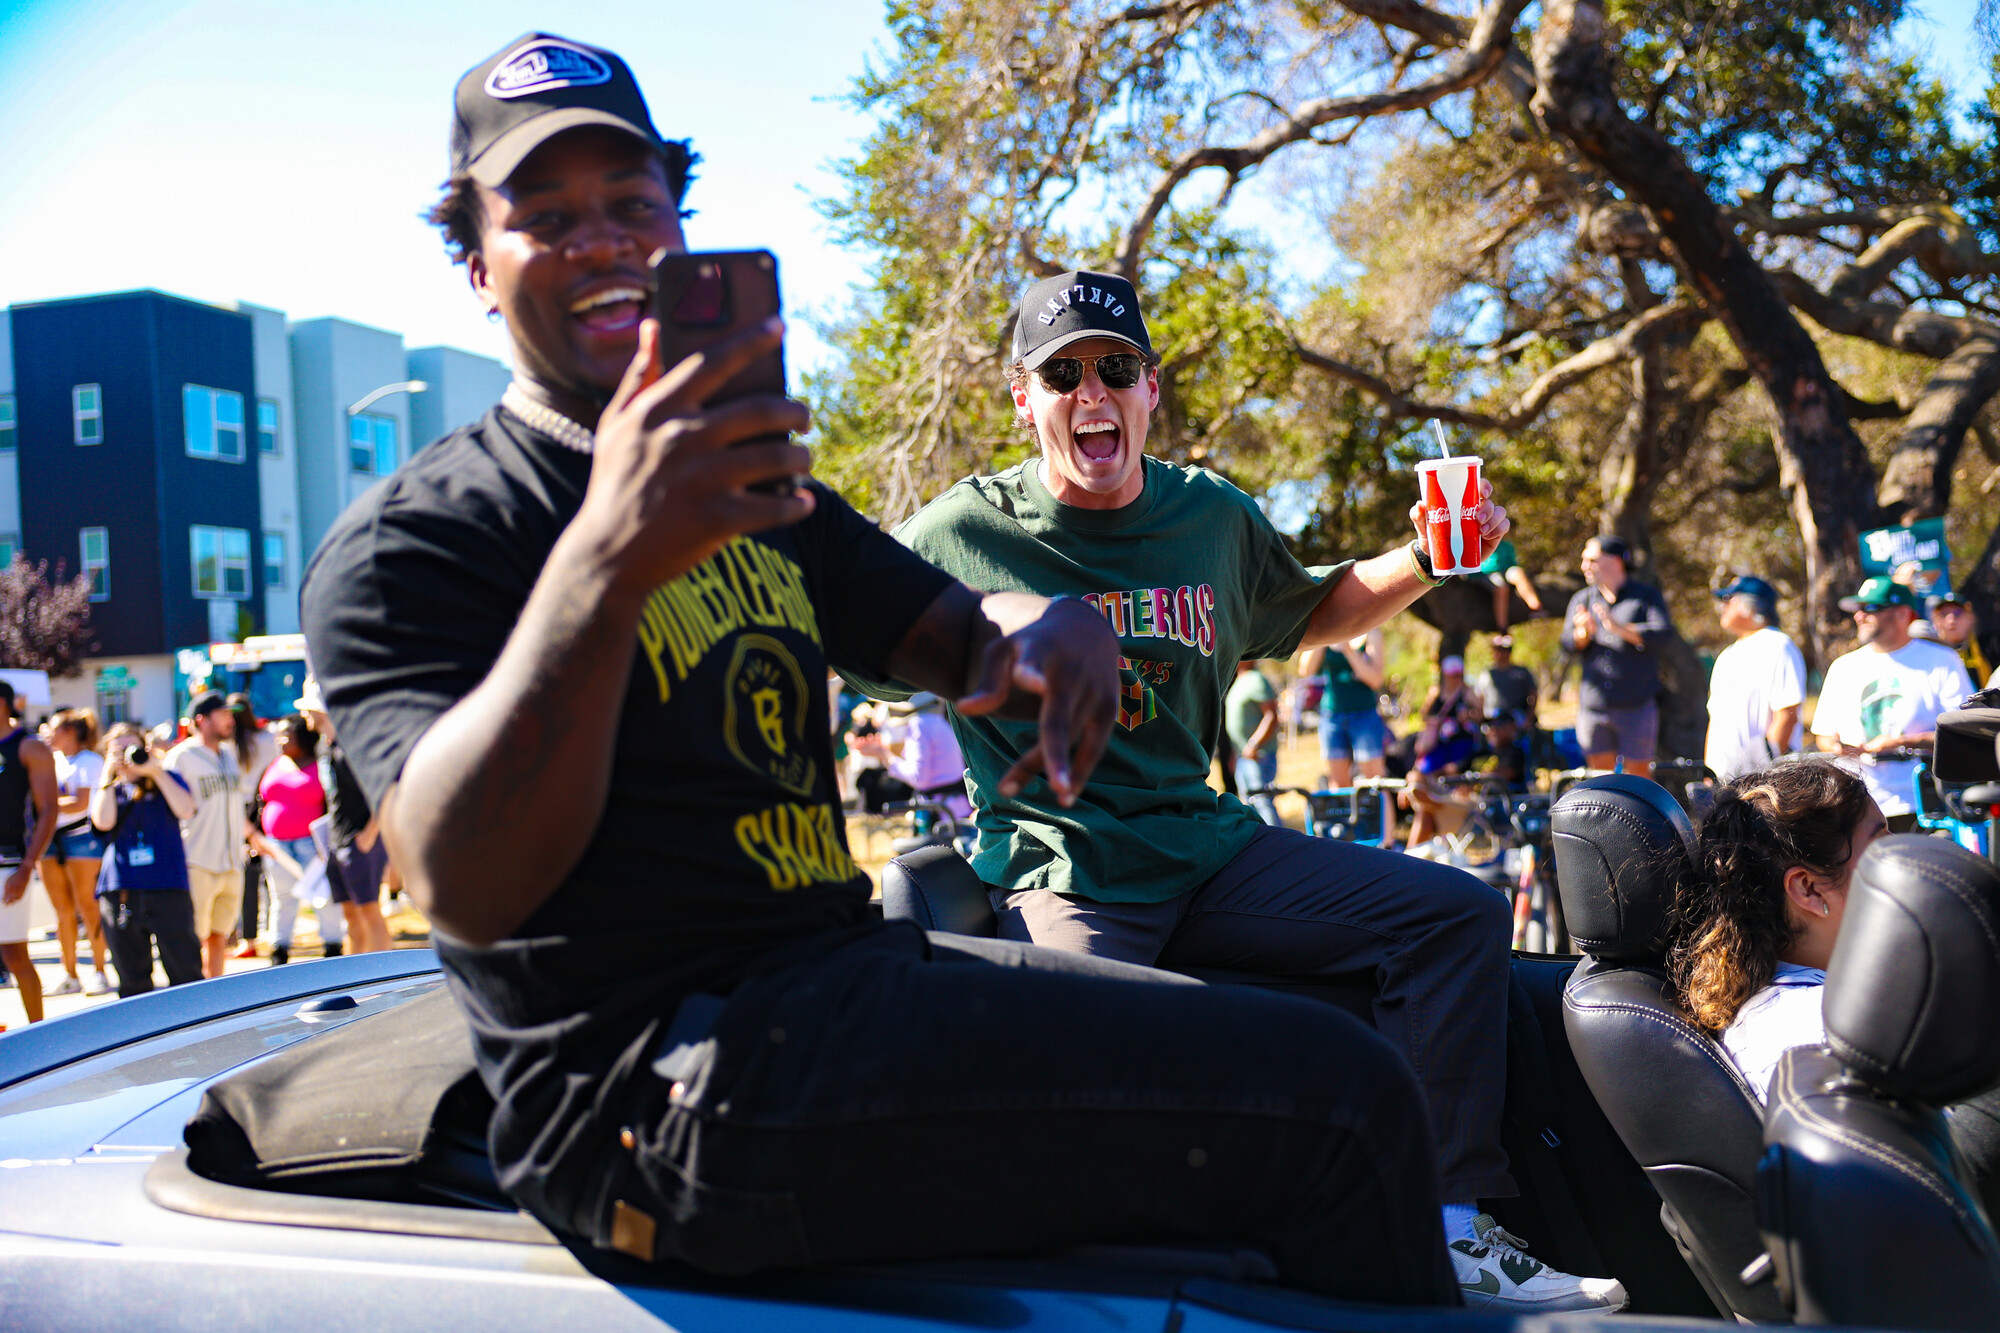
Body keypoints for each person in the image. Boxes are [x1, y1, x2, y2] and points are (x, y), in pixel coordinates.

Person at [299, 35, 1461, 1308]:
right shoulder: (414, 542)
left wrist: (1046, 635)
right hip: (652, 1099)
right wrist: (610, 556)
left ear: (679, 232)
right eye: (544, 213)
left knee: (1306, 1079)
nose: (600, 241)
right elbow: (461, 881)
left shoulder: (765, 502)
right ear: (475, 260)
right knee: (1341, 1107)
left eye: (633, 205)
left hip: (842, 989)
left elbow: (944, 624)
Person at [890, 268, 1619, 1310]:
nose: (1089, 391)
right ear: (1023, 398)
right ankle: (1088, 1293)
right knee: (1078, 1057)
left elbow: (1307, 611)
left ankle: (1453, 1228)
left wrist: (1427, 555)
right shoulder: (963, 530)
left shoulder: (1208, 516)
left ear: (1150, 390)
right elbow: (855, 636)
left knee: (1452, 915)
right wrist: (997, 619)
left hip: (1207, 846)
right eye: (1061, 374)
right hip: (1067, 863)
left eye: (1115, 368)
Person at [1811, 576, 1972, 832]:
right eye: (1858, 609)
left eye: (1871, 608)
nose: (1859, 616)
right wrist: (1838, 747)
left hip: (1922, 804)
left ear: (1902, 614)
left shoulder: (1942, 660)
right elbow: (1823, 734)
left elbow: (1964, 731)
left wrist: (1901, 743)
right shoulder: (1843, 667)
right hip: (1857, 805)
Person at [90, 724, 203, 997]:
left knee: (185, 972)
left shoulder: (167, 778)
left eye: (133, 748)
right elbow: (103, 822)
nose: (128, 757)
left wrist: (155, 771)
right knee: (132, 980)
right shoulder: (109, 788)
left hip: (167, 887)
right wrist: (108, 774)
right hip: (122, 891)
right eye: (119, 750)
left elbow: (187, 809)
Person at [1563, 535, 1672, 779]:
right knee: (1601, 778)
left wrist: (1619, 628)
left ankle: (1640, 818)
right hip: (1595, 708)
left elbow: (1663, 635)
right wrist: (1583, 634)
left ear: (1614, 561)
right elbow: (1567, 643)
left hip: (1637, 705)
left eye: (1591, 559)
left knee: (1639, 778)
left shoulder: (1645, 596)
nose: (1584, 566)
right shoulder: (1582, 599)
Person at [296, 679, 387, 955]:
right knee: (350, 914)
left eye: (308, 709)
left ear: (321, 710)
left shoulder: (353, 748)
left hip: (359, 842)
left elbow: (385, 791)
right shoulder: (324, 746)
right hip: (337, 842)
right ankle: (356, 975)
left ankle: (387, 977)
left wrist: (369, 835)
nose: (304, 715)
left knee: (370, 912)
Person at [162, 691, 248, 979]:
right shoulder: (180, 757)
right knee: (192, 939)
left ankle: (218, 1001)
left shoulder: (230, 753)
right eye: (222, 714)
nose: (229, 719)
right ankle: (196, 1002)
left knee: (219, 936)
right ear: (202, 719)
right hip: (196, 859)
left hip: (232, 860)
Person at [38, 708, 114, 996]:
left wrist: (45, 804)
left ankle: (99, 970)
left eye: (54, 728)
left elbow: (80, 803)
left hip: (82, 839)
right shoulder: (52, 759)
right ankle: (69, 973)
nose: (48, 732)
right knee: (62, 911)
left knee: (89, 907)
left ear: (70, 732)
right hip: (50, 840)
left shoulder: (90, 761)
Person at [1704, 575, 1806, 783]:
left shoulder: (1778, 645)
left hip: (1762, 781)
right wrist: (1709, 775)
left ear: (1751, 605)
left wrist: (1763, 772)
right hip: (1725, 782)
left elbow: (1787, 714)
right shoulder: (1727, 655)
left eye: (1728, 600)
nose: (1723, 607)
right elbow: (1716, 721)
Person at [250, 714, 331, 967]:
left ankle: (333, 948)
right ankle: (279, 953)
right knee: (281, 899)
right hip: (276, 847)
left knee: (323, 898)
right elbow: (259, 802)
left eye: (287, 735)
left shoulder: (321, 766)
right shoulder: (274, 764)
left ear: (304, 737)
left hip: (311, 846)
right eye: (278, 735)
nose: (280, 740)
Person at [0, 681, 59, 1023]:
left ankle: (39, 1035)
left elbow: (49, 810)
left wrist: (27, 866)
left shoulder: (29, 747)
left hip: (10, 864)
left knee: (15, 955)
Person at [845, 693, 970, 852]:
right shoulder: (936, 722)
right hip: (952, 809)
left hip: (940, 814)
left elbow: (918, 777)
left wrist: (884, 756)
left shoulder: (919, 725)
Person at [1405, 656, 1485, 850]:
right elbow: (1424, 714)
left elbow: (1481, 716)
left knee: (1448, 773)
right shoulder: (1436, 692)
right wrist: (1435, 721)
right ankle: (1426, 794)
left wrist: (1468, 715)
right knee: (1425, 773)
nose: (1455, 679)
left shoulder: (1468, 693)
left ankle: (1433, 798)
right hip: (1439, 745)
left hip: (1460, 747)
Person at [1301, 629, 1388, 790]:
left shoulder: (1372, 633)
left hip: (1364, 714)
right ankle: (1345, 815)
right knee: (1339, 784)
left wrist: (1348, 650)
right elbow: (1305, 671)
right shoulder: (1327, 630)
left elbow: (1375, 680)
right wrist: (1323, 636)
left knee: (1375, 783)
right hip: (1332, 717)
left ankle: (1381, 815)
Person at [229, 692, 281, 957]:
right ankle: (273, 932)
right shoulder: (266, 738)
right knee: (269, 877)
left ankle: (248, 938)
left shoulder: (228, 745)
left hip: (237, 813)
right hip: (264, 809)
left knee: (246, 878)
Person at [1225, 661, 1282, 826]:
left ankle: (1278, 844)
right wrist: (1236, 754)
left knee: (1262, 802)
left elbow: (1271, 716)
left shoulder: (1256, 679)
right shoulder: (1239, 680)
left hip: (1258, 756)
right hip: (1243, 756)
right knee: (1249, 805)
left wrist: (1254, 744)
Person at [1473, 536, 1543, 632]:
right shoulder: (1477, 544)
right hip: (1488, 573)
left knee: (1518, 573)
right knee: (1501, 588)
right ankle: (1502, 626)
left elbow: (1513, 563)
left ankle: (1535, 606)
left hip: (1506, 570)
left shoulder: (1506, 545)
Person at [1926, 592, 1993, 687]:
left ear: (1970, 617)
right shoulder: (1928, 653)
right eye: (1943, 614)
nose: (1951, 620)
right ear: (1935, 620)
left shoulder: (1989, 647)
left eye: (1957, 613)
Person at [1474, 635, 1537, 733]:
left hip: (1517, 718)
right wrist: (1481, 718)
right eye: (1497, 650)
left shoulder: (1521, 672)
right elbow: (1479, 696)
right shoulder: (1487, 674)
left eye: (1504, 650)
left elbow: (1533, 695)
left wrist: (1529, 718)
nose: (1500, 653)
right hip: (1493, 719)